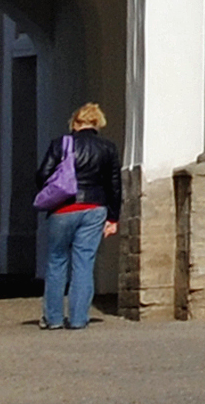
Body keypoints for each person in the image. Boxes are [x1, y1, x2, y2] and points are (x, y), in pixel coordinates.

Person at [32, 100, 121, 328]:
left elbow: (42, 174)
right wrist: (113, 218)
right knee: (84, 263)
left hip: (63, 208)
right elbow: (115, 185)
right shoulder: (108, 148)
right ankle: (79, 318)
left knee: (56, 260)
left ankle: (52, 318)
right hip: (94, 209)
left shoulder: (60, 144)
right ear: (97, 123)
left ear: (75, 122)